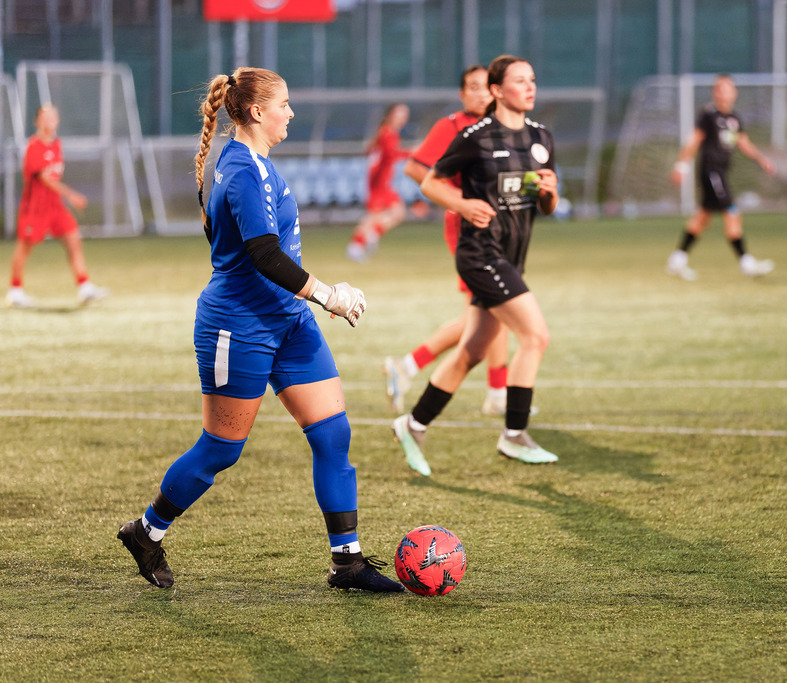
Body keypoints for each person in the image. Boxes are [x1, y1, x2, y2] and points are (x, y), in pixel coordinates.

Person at [117, 67, 402, 593]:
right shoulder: (243, 169)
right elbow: (264, 254)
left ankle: (347, 562)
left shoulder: (254, 163)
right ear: (256, 111)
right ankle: (146, 531)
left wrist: (306, 300)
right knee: (221, 450)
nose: (290, 112)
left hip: (289, 323)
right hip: (238, 328)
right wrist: (328, 295)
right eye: (284, 104)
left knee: (332, 434)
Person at [391, 55, 559, 477]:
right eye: (520, 81)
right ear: (498, 90)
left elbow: (546, 207)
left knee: (471, 352)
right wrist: (463, 205)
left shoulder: (541, 137)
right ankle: (514, 433)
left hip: (512, 255)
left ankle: (413, 425)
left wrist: (550, 193)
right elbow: (430, 182)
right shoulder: (475, 136)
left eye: (533, 79)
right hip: (480, 254)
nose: (530, 86)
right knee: (535, 336)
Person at [383, 64, 514, 417]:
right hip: (467, 228)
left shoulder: (499, 126)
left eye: (486, 86)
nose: (481, 93)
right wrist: (457, 199)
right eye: (473, 87)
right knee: (493, 307)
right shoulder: (453, 125)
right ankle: (494, 394)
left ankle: (411, 367)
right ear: (462, 94)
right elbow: (415, 168)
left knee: (492, 309)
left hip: (497, 227)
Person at [665, 73, 776, 281]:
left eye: (727, 88)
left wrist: (761, 159)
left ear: (735, 92)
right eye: (720, 89)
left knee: (702, 218)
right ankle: (746, 263)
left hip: (721, 172)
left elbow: (743, 142)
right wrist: (681, 165)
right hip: (711, 172)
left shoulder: (734, 119)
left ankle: (677, 259)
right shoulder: (708, 115)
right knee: (732, 212)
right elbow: (694, 140)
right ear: (715, 93)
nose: (724, 93)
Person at [5, 104, 107, 308]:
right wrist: (72, 195)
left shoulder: (56, 144)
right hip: (35, 208)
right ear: (37, 121)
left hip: (55, 206)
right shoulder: (34, 146)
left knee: (73, 240)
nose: (49, 121)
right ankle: (15, 291)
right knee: (24, 248)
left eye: (53, 116)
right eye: (45, 117)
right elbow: (46, 179)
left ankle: (84, 286)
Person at [346, 103, 411, 262]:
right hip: (379, 182)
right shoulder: (387, 134)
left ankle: (369, 236)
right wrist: (411, 153)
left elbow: (373, 152)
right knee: (375, 216)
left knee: (395, 212)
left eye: (405, 115)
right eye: (400, 114)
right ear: (390, 115)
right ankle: (356, 246)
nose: (403, 119)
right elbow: (390, 155)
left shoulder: (386, 133)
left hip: (383, 181)